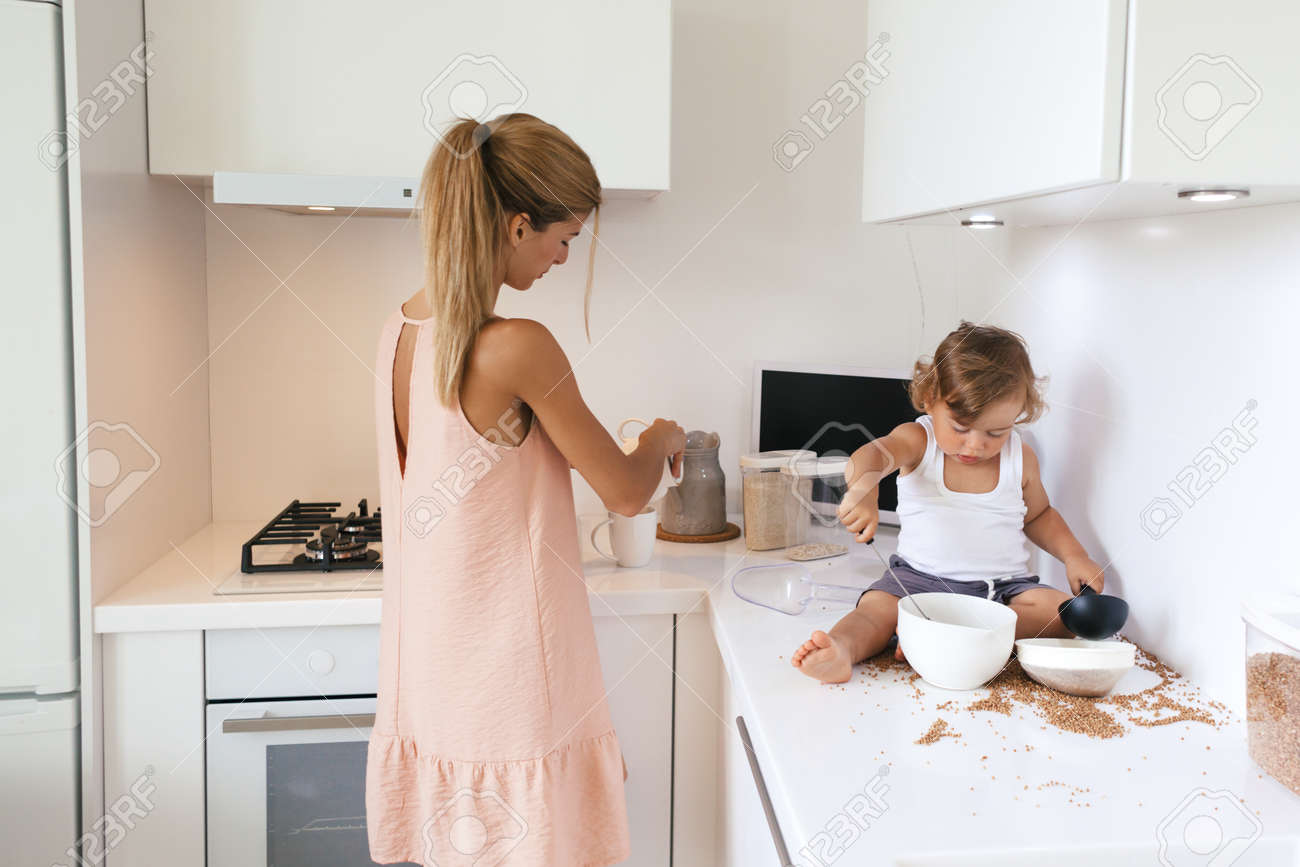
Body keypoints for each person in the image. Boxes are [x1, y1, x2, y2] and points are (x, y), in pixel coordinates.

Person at [366, 113, 686, 866]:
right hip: (510, 678)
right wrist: (663, 437)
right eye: (563, 236)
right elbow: (627, 491)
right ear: (516, 225)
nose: (565, 256)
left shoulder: (398, 333)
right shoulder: (515, 347)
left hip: (433, 677)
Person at [791, 321, 1104, 684]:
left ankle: (937, 638)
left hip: (999, 591)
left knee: (1062, 616)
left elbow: (1039, 516)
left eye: (995, 432)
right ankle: (841, 649)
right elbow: (871, 456)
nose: (975, 445)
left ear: (1017, 415)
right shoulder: (918, 441)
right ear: (930, 400)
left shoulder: (1022, 459)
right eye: (960, 427)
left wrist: (1074, 555)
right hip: (917, 582)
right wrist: (864, 491)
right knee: (875, 611)